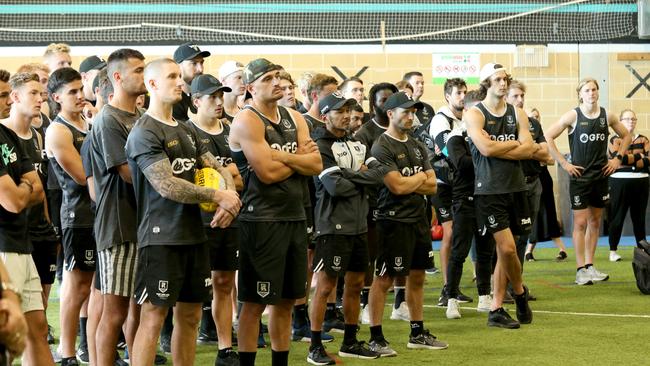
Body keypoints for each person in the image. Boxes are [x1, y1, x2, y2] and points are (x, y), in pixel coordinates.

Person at [126, 58, 240, 366]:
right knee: (153, 316)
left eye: (180, 76)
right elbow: (167, 185)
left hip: (195, 236)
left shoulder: (188, 130)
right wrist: (219, 194)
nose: (180, 82)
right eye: (172, 76)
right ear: (151, 85)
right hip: (161, 239)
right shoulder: (144, 132)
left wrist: (228, 199)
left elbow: (219, 167)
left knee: (189, 316)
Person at [229, 58, 322, 366]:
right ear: (250, 87)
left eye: (280, 77)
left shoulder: (295, 117)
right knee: (255, 304)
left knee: (285, 301)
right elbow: (266, 173)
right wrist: (296, 158)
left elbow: (316, 165)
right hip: (261, 220)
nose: (278, 82)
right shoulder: (247, 120)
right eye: (269, 78)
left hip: (294, 216)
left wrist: (282, 157)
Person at [367, 91, 448, 355]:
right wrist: (418, 180)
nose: (411, 116)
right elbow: (397, 187)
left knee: (417, 276)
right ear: (391, 114)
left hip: (417, 221)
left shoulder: (415, 144)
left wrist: (413, 181)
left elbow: (433, 185)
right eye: (406, 112)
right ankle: (376, 337)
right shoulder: (382, 146)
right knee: (385, 279)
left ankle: (417, 332)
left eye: (413, 112)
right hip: (393, 222)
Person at [307, 92, 383, 365]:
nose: (346, 115)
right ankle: (315, 346)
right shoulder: (319, 143)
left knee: (354, 285)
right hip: (332, 225)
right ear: (325, 115)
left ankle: (350, 341)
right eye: (340, 111)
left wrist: (350, 174)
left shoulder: (355, 141)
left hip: (359, 225)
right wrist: (360, 175)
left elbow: (379, 175)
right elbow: (333, 186)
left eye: (349, 110)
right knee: (325, 287)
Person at [466, 63, 534, 329]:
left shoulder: (518, 113)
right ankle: (518, 293)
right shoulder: (475, 113)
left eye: (505, 79)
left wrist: (501, 147)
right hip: (490, 189)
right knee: (505, 248)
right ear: (486, 83)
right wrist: (513, 144)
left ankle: (496, 308)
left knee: (509, 251)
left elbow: (528, 149)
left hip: (516, 188)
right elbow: (484, 148)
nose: (503, 83)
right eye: (497, 79)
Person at [89, 48, 147, 366]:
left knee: (137, 308)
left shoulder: (141, 118)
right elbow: (129, 173)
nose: (143, 75)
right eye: (137, 70)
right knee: (114, 312)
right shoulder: (108, 120)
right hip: (118, 228)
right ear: (118, 77)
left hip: (142, 224)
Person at [545, 78, 631, 285]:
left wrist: (617, 158)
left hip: (600, 176)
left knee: (595, 222)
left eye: (594, 89)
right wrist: (564, 163)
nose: (591, 93)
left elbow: (627, 136)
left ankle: (590, 266)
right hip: (579, 178)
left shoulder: (606, 115)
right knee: (581, 223)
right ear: (580, 94)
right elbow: (547, 136)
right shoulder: (573, 115)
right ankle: (580, 269)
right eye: (587, 90)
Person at [187, 74, 244, 366]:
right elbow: (184, 182)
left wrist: (227, 202)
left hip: (228, 219)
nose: (220, 101)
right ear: (196, 101)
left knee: (224, 282)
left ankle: (224, 348)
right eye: (212, 97)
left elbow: (240, 178)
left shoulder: (230, 131)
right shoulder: (186, 133)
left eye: (221, 95)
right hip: (195, 222)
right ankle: (185, 347)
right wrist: (223, 184)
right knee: (193, 291)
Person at [0, 70, 54, 366]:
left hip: (23, 244)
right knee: (6, 333)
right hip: (4, 247)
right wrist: (24, 188)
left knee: (37, 329)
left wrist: (23, 189)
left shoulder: (9, 136)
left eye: (9, 94)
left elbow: (37, 189)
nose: (9, 100)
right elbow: (13, 201)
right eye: (2, 96)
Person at [45, 67, 97, 366]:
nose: (80, 96)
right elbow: (81, 176)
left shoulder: (89, 122)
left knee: (95, 287)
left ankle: (89, 347)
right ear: (56, 97)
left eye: (81, 89)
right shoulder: (58, 130)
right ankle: (66, 352)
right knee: (77, 287)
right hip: (78, 217)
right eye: (72, 92)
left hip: (100, 215)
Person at [444, 89, 496, 319]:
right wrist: (487, 152)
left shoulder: (489, 134)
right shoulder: (456, 136)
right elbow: (462, 164)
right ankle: (451, 298)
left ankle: (485, 295)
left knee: (486, 251)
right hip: (464, 200)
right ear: (467, 111)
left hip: (486, 198)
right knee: (459, 251)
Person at [353, 82, 398, 324]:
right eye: (383, 100)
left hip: (399, 203)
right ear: (373, 105)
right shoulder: (365, 133)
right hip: (373, 204)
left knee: (398, 254)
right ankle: (365, 304)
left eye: (392, 99)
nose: (389, 104)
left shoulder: (402, 129)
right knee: (371, 257)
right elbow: (363, 172)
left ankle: (400, 303)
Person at [425, 78, 471, 306]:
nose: (463, 96)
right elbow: (447, 151)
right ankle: (446, 288)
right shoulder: (440, 120)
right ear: (447, 96)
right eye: (458, 93)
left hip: (460, 184)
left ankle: (454, 285)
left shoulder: (467, 119)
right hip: (442, 183)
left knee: (462, 233)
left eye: (465, 92)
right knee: (450, 232)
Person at [505, 80, 551, 276]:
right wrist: (531, 149)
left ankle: (517, 284)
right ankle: (500, 284)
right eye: (515, 96)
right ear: (506, 98)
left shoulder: (533, 123)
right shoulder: (502, 124)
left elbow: (546, 154)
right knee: (509, 239)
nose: (520, 100)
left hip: (533, 183)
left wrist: (523, 149)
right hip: (511, 185)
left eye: (522, 96)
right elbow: (507, 152)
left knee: (524, 235)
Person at [525, 108, 568, 260]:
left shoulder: (541, 137)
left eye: (537, 116)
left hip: (544, 178)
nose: (535, 119)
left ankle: (562, 248)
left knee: (549, 211)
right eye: (532, 116)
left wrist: (536, 155)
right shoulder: (523, 136)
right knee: (533, 213)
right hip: (529, 178)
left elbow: (549, 159)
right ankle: (529, 250)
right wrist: (537, 155)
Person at [607, 109, 649, 261]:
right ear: (621, 121)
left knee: (639, 218)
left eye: (633, 119)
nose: (631, 121)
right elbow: (618, 159)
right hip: (619, 181)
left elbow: (648, 160)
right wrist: (639, 156)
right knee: (617, 216)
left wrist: (628, 160)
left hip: (641, 181)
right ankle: (613, 250)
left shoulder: (643, 139)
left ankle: (642, 249)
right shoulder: (615, 140)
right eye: (627, 119)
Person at [172, 42, 210, 122]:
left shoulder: (206, 95)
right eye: (194, 63)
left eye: (201, 63)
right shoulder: (173, 101)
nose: (200, 69)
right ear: (178, 67)